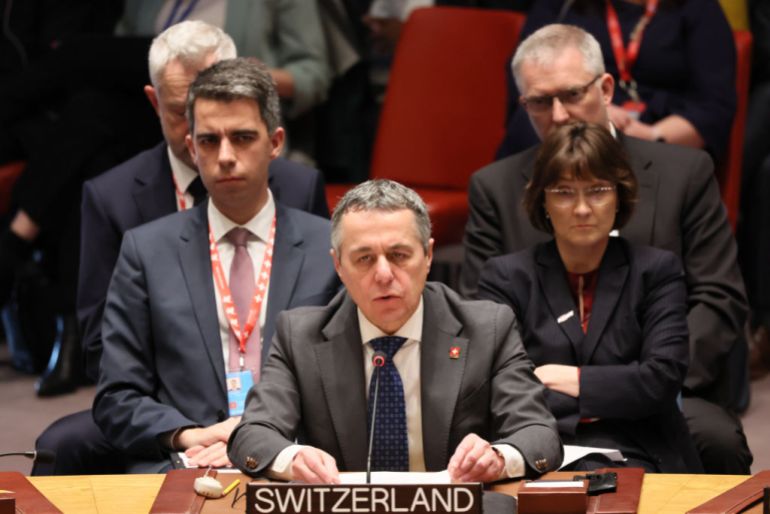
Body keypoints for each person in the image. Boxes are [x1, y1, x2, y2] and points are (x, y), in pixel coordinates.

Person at [32, 22, 330, 476]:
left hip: (291, 438)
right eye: (209, 139)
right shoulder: (141, 239)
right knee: (69, 445)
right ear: (193, 143)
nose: (225, 155)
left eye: (243, 137)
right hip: (179, 422)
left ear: (274, 144)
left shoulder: (319, 228)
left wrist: (261, 435)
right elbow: (114, 372)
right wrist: (189, 431)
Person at [461, 24, 751, 474]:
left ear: (606, 87)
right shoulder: (495, 187)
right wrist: (555, 397)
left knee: (715, 439)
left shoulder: (684, 172)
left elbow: (718, 299)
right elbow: (485, 325)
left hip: (664, 390)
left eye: (572, 94)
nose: (559, 115)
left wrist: (635, 385)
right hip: (539, 402)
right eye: (540, 101)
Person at [227, 179, 562, 484]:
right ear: (338, 266)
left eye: (399, 255)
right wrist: (294, 458)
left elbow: (539, 433)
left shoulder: (487, 329)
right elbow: (253, 434)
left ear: (429, 255)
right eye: (364, 259)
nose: (384, 274)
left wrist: (499, 458)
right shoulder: (299, 336)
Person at [479, 122, 701, 472]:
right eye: (564, 192)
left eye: (597, 190)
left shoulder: (656, 271)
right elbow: (503, 388)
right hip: (541, 448)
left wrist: (561, 377)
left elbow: (660, 380)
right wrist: (618, 386)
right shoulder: (506, 277)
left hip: (640, 445)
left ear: (619, 197)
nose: (582, 208)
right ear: (544, 202)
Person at [496, 0, 736, 159]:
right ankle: (525, 224)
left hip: (658, 129)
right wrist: (592, 110)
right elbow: (526, 71)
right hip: (572, 108)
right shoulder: (564, 4)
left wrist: (652, 136)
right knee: (529, 120)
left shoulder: (697, 7)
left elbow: (714, 104)